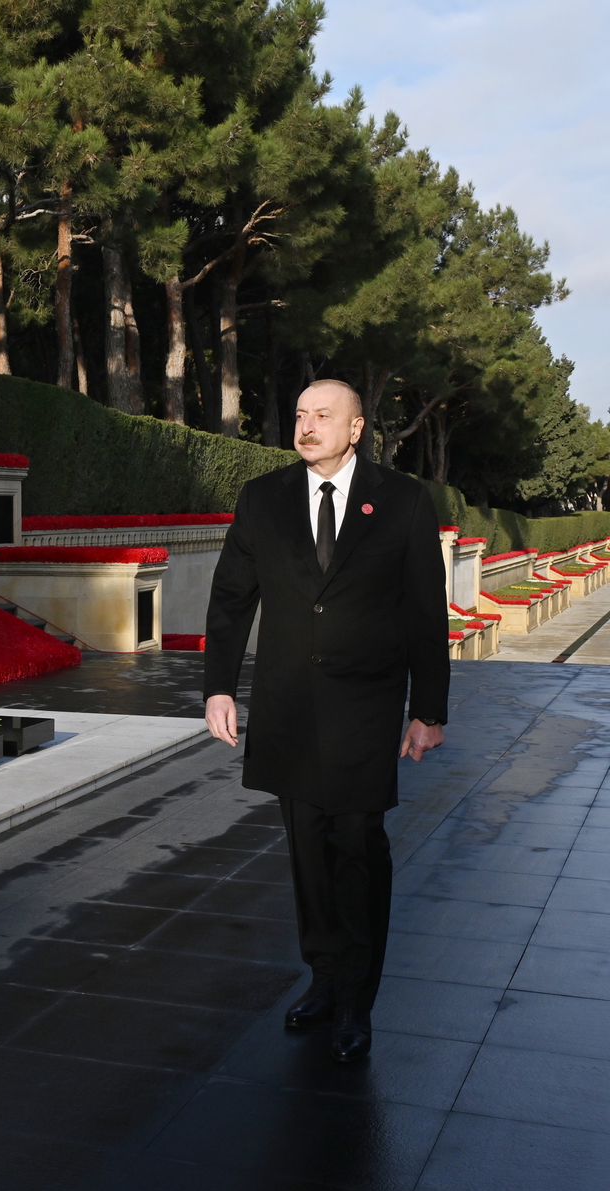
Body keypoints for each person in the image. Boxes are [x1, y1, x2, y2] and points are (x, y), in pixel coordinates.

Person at [203, 378, 449, 1065]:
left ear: (356, 428)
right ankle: (324, 977)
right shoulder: (263, 498)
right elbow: (231, 599)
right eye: (301, 414)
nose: (307, 426)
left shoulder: (402, 500)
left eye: (322, 415)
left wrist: (429, 710)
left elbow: (425, 611)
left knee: (357, 845)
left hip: (365, 708)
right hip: (288, 706)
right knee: (307, 849)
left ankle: (356, 1001)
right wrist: (218, 688)